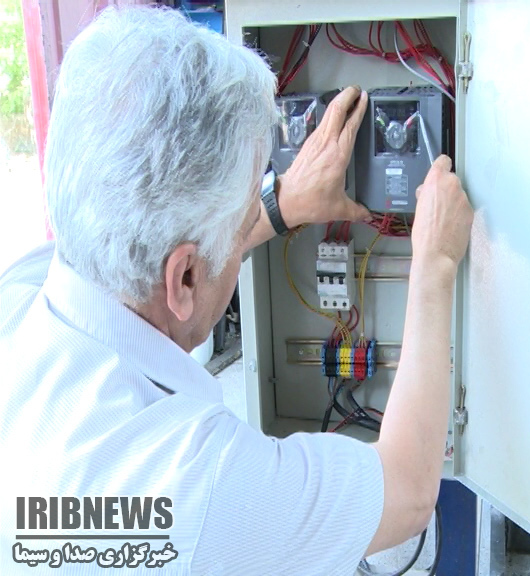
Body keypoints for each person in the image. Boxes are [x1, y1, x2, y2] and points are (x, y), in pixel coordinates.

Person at [0, 6, 473, 575]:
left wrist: (279, 205)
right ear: (185, 278)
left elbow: (162, 256)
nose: (256, 209)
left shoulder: (21, 294)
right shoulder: (200, 482)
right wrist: (435, 262)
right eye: (249, 206)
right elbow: (409, 492)